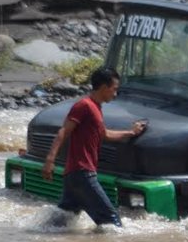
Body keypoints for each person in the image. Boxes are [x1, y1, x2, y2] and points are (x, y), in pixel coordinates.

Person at [42, 66, 147, 227]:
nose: (115, 93)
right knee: (111, 222)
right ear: (104, 88)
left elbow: (104, 135)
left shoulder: (96, 108)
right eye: (114, 89)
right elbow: (64, 131)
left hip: (74, 176)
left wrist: (131, 133)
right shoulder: (84, 105)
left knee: (60, 225)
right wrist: (50, 160)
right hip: (82, 174)